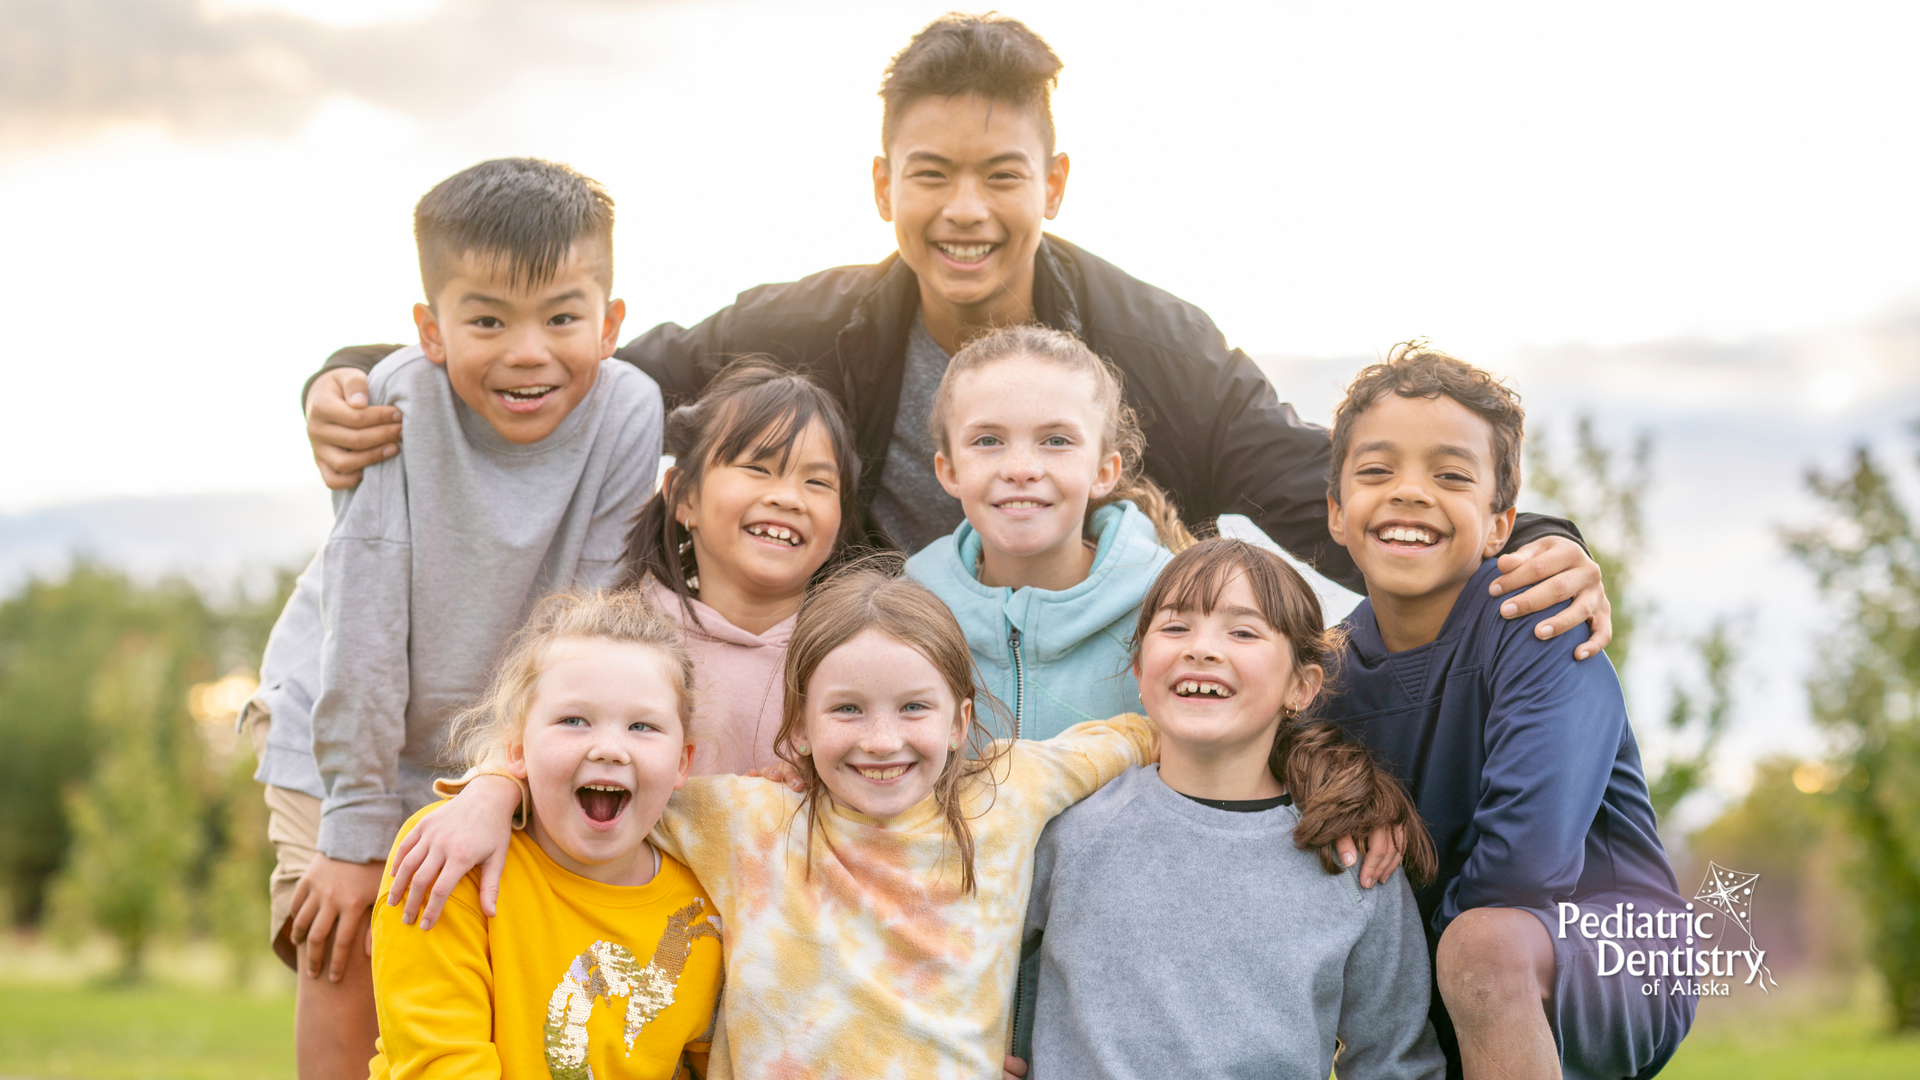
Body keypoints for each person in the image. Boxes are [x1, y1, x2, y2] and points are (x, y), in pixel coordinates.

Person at [295, 13, 1614, 657]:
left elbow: (1313, 485)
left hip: (1104, 692)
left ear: (1058, 182)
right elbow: (573, 375)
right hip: (871, 698)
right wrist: (356, 376)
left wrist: (1536, 544)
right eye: (931, 174)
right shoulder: (802, 327)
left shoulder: (1156, 341)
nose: (967, 209)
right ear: (884, 188)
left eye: (1002, 173)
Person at [395, 562, 1161, 1077]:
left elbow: (1137, 733)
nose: (882, 739)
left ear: (961, 721)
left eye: (915, 709)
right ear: (797, 730)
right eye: (848, 710)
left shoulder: (1012, 787)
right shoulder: (743, 819)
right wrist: (494, 782)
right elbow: (595, 780)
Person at [240, 157, 663, 1080]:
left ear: (611, 322)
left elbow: (581, 633)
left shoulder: (630, 412)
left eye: (562, 317)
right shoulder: (395, 402)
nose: (527, 352)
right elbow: (362, 631)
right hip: (342, 731)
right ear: (432, 330)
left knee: (483, 965)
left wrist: (500, 779)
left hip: (507, 736)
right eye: (486, 320)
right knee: (346, 940)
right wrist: (356, 838)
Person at [1314, 344, 1694, 1080]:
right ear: (1335, 513)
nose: (1410, 492)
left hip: (1601, 948)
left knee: (1481, 948)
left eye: (1451, 476)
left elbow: (1527, 866)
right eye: (1375, 471)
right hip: (1446, 961)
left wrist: (1408, 978)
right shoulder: (1322, 676)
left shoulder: (1538, 621)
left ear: (1499, 526)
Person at [1009, 537, 1444, 1079]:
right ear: (1140, 674)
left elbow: (1394, 1060)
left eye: (1242, 631)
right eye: (1175, 627)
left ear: (1302, 686)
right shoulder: (1068, 835)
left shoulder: (1351, 856)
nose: (1201, 648)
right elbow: (962, 963)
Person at [368, 589, 722, 1080]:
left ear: (683, 761)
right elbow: (440, 1064)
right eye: (573, 721)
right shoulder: (451, 856)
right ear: (516, 748)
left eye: (642, 726)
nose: (610, 749)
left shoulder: (703, 912)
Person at [906, 324, 1189, 741]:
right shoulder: (905, 615)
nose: (1021, 469)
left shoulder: (1174, 610)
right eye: (988, 440)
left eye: (1056, 440)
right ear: (949, 471)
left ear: (1103, 471)